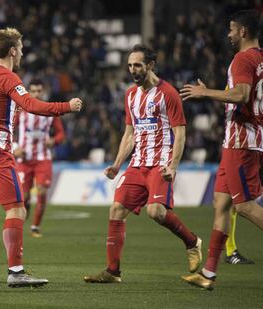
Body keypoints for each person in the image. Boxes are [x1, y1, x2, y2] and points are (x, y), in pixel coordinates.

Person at [0, 27, 82, 287]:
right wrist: (66, 107)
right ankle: (16, 272)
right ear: (13, 51)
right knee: (17, 208)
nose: (22, 53)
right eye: (21, 49)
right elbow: (31, 105)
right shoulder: (9, 77)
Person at [83, 44, 202, 284]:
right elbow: (130, 134)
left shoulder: (168, 93)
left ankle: (192, 242)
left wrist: (173, 166)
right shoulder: (130, 95)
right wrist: (117, 164)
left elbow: (180, 133)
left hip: (160, 164)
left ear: (150, 65)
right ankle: (112, 271)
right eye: (129, 65)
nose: (132, 70)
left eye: (137, 65)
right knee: (116, 210)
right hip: (137, 164)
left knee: (156, 212)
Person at [180, 10, 263, 290]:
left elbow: (240, 94)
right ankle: (209, 274)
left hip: (241, 140)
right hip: (236, 140)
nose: (228, 34)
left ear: (243, 32)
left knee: (245, 206)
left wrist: (206, 93)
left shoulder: (243, 58)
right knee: (221, 203)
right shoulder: (260, 59)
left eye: (231, 29)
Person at [14, 78, 65, 238]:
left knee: (42, 191)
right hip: (25, 159)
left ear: (43, 92)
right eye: (33, 91)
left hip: (43, 158)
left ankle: (35, 226)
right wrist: (15, 148)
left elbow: (61, 133)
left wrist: (54, 140)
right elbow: (7, 130)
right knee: (25, 196)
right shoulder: (20, 111)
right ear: (29, 92)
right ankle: (22, 220)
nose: (36, 94)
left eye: (39, 91)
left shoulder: (50, 112)